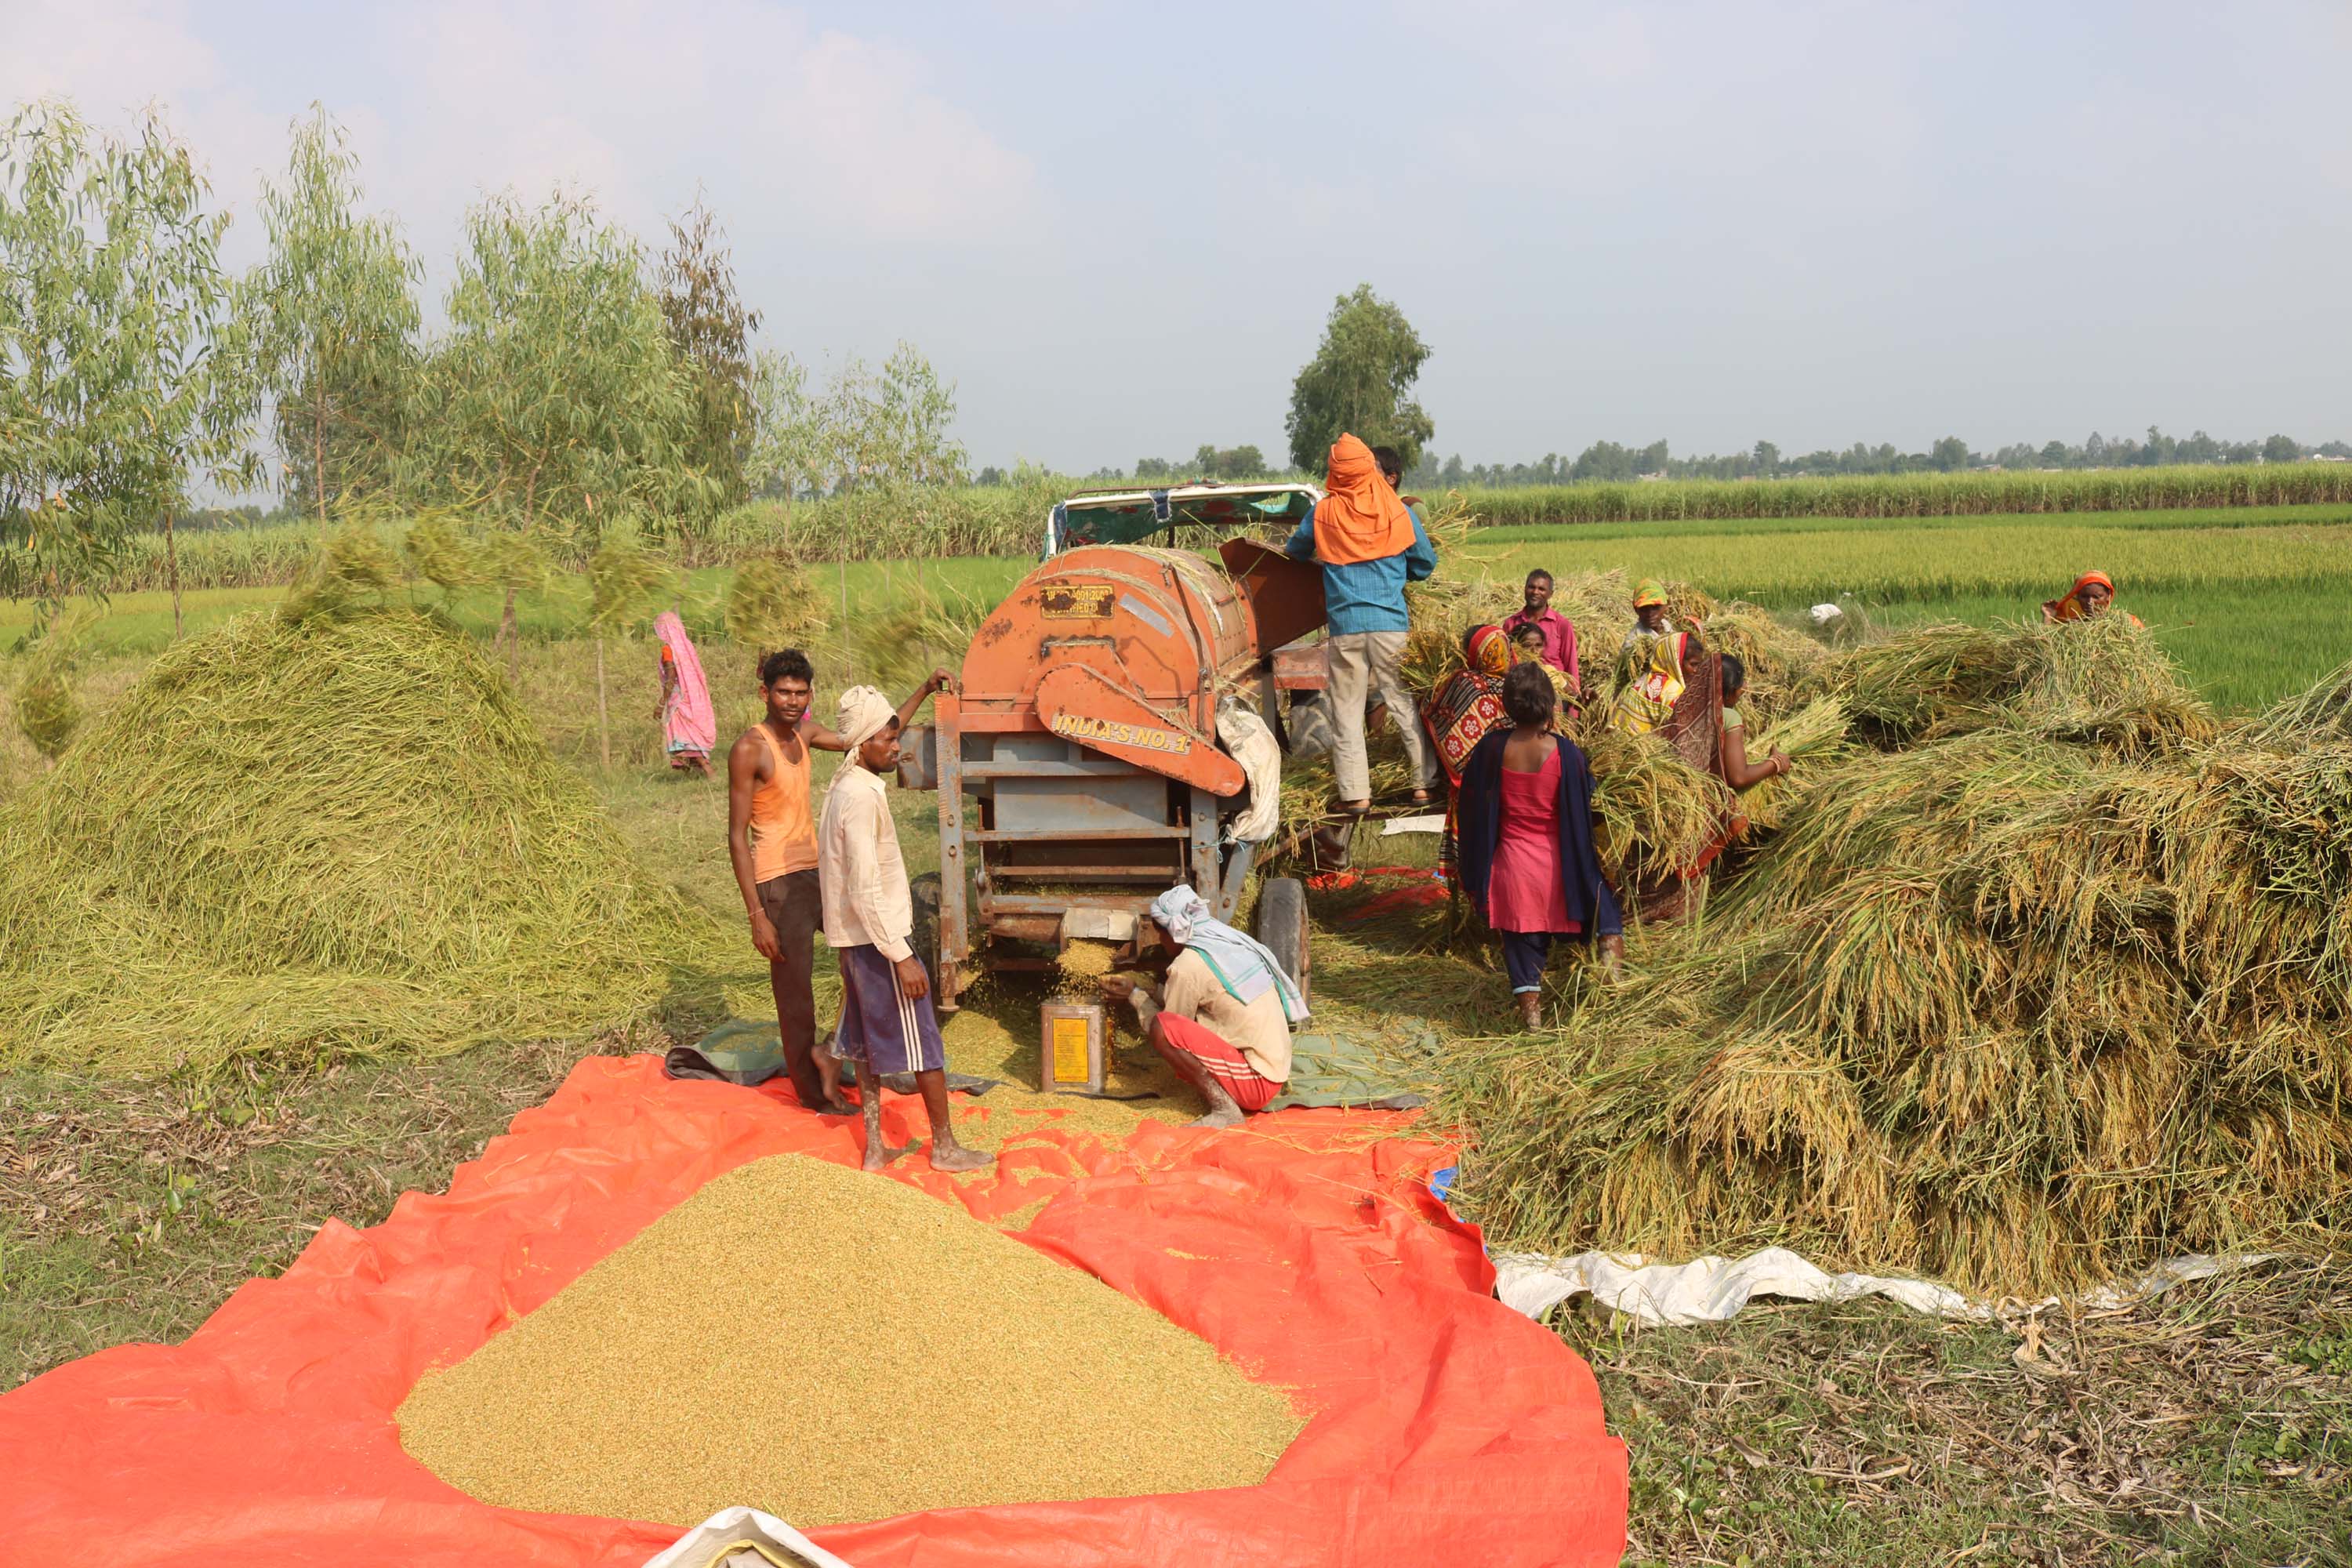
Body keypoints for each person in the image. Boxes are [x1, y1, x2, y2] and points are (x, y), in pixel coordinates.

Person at [727, 652, 951, 1120]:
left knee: (866, 954)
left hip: (819, 876)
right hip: (777, 884)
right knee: (796, 996)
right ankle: (812, 1095)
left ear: (810, 697)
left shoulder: (806, 734)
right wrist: (757, 916)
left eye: (801, 693)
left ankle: (831, 1051)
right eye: (783, 692)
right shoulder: (751, 748)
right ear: (764, 693)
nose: (792, 701)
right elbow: (736, 836)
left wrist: (925, 690)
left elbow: (874, 734)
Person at [816, 685, 993, 1174]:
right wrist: (902, 955)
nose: (898, 747)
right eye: (889, 739)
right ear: (864, 743)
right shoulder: (860, 799)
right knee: (924, 1046)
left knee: (866, 1046)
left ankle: (875, 1146)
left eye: (897, 737)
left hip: (854, 942)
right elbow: (865, 887)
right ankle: (945, 1147)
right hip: (879, 943)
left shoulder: (845, 785)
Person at [1457, 663, 1624, 1029]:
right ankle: (1613, 990)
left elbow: (1468, 802)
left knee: (1522, 945)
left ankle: (1533, 1021)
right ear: (1549, 704)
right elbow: (1589, 801)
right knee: (1606, 914)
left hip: (1511, 867)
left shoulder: (1491, 749)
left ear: (1508, 705)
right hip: (1561, 865)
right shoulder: (1567, 754)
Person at [1284, 433, 1441, 815]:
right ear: (1368, 468)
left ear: (1336, 472)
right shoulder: (1396, 510)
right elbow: (1425, 563)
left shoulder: (1322, 513)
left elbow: (1294, 551)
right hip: (1391, 625)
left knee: (1347, 712)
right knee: (1403, 703)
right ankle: (1423, 785)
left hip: (1345, 628)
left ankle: (1355, 794)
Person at [1098, 884, 1306, 1129]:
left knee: (1163, 1030)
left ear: (1174, 932)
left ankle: (1225, 1109)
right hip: (1274, 1069)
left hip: (1256, 1084)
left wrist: (1135, 995)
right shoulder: (1226, 943)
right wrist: (1151, 989)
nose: (1161, 942)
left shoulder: (1188, 965)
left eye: (1161, 935)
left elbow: (1170, 1025)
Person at [1419, 624, 1514, 877]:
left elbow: (1433, 712)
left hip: (1472, 789)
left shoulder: (1465, 682)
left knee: (1478, 866)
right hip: (1514, 786)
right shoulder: (1518, 687)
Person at [1610, 579, 1699, 735]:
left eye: (1656, 608)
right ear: (1635, 609)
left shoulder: (1668, 627)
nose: (1651, 614)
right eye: (1644, 609)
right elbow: (1629, 673)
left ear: (1666, 606)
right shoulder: (1635, 640)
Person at [655, 612, 716, 776]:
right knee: (690, 741)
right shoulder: (686, 647)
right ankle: (693, 776)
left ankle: (709, 773)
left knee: (686, 740)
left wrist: (661, 704)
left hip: (680, 700)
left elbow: (671, 678)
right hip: (694, 698)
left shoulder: (668, 650)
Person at [1501, 569, 1581, 692]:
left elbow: (1571, 666)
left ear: (1550, 594)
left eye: (1541, 589)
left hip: (1556, 693)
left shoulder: (1562, 625)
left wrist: (1574, 705)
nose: (1535, 592)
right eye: (1531, 587)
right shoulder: (1511, 624)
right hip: (1521, 692)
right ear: (1525, 589)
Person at [1512, 622, 1580, 720]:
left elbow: (1575, 699)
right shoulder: (1513, 677)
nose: (1534, 651)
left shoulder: (1550, 671)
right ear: (1516, 647)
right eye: (1527, 645)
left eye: (1539, 645)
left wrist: (1587, 698)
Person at [2042, 570, 2141, 626]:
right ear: (2077, 597)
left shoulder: (2127, 623)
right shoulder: (2067, 622)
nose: (2090, 601)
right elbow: (2046, 647)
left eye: (2096, 597)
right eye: (2084, 596)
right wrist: (2048, 617)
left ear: (2108, 597)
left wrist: (2096, 620)